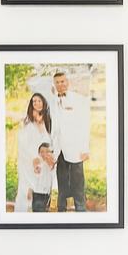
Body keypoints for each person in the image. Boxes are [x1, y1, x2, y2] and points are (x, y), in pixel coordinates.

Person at [47, 71, 91, 213]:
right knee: (62, 184)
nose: (60, 85)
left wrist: (85, 148)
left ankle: (81, 211)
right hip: (59, 149)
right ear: (54, 84)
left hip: (75, 148)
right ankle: (61, 212)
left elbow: (84, 125)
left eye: (63, 81)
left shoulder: (78, 100)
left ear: (68, 82)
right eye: (57, 82)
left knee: (78, 183)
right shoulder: (52, 101)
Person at [14, 92, 53, 214]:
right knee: (25, 190)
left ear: (43, 103)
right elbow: (23, 145)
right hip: (29, 161)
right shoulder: (27, 125)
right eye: (33, 101)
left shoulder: (48, 124)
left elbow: (51, 142)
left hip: (43, 162)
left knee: (41, 190)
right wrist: (33, 158)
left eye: (38, 101)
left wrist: (49, 158)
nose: (36, 103)